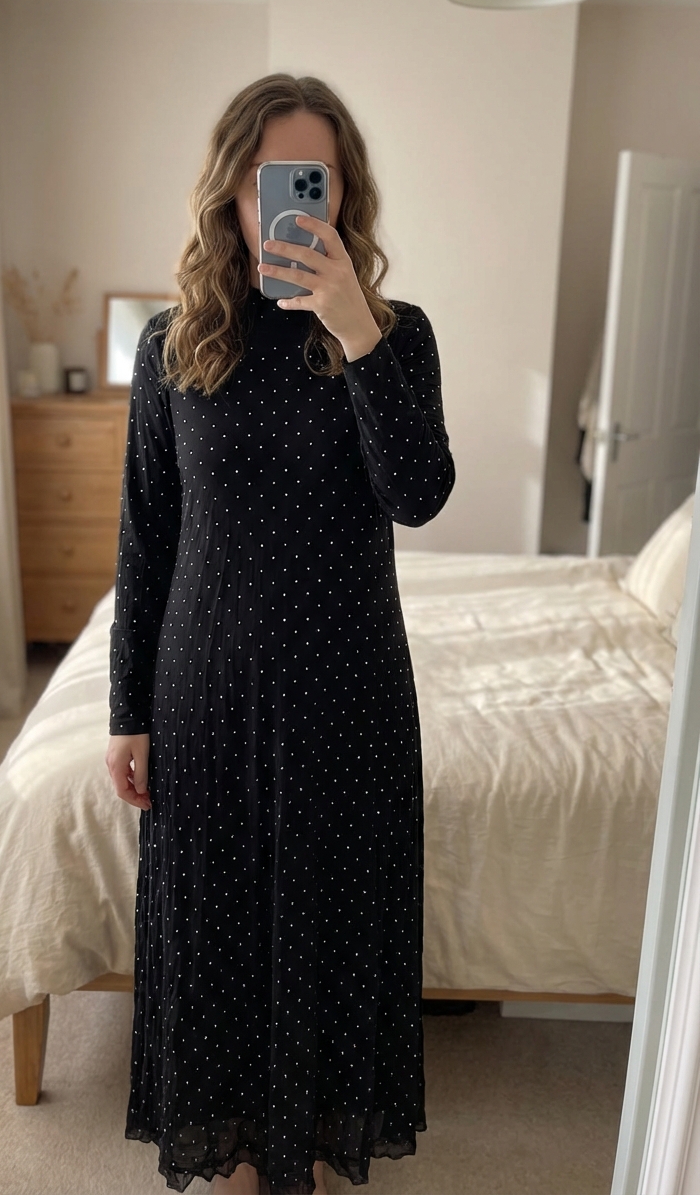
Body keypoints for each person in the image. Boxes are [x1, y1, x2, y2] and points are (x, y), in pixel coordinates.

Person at [105, 72, 456, 1195]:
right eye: (271, 183)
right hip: (203, 692)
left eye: (315, 178)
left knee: (334, 927)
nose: (290, 207)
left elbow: (417, 493)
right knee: (214, 934)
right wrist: (125, 712)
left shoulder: (397, 336)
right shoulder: (173, 344)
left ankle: (306, 1141)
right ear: (233, 194)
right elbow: (145, 538)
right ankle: (238, 1157)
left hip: (349, 691)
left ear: (344, 192)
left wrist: (355, 329)